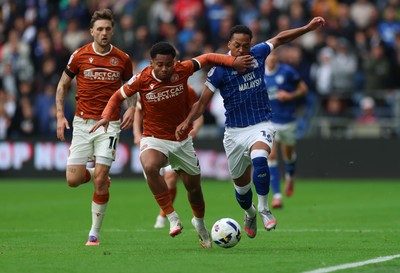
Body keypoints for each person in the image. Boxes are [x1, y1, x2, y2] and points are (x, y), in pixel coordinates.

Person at [89, 41, 253, 248]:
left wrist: (233, 61)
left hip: (181, 141)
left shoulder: (183, 70)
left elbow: (209, 57)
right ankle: (172, 216)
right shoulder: (141, 79)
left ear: (175, 62)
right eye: (160, 65)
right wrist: (105, 116)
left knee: (194, 189)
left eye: (168, 64)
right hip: (154, 138)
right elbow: (116, 97)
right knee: (149, 165)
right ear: (152, 63)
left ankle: (200, 225)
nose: (165, 69)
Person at [176, 17, 325, 239]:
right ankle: (250, 212)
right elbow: (202, 102)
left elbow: (280, 38)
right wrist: (187, 121)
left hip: (261, 123)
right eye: (237, 45)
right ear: (229, 45)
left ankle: (264, 207)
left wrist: (307, 28)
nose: (242, 49)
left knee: (260, 158)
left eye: (246, 44)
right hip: (234, 132)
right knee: (242, 191)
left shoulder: (258, 53)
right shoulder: (219, 70)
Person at [55, 9, 136, 246]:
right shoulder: (79, 56)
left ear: (113, 31)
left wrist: (131, 107)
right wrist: (60, 115)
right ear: (91, 31)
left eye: (107, 29)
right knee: (73, 180)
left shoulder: (122, 59)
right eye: (99, 29)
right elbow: (62, 86)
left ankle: (94, 234)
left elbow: (130, 87)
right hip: (82, 123)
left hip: (109, 124)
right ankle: (93, 174)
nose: (103, 33)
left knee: (101, 178)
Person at [133, 87, 204, 229]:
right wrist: (136, 134)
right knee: (152, 171)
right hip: (154, 141)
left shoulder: (186, 90)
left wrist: (195, 128)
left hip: (179, 143)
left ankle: (163, 217)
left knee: (175, 181)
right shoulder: (148, 86)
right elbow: (138, 111)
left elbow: (198, 112)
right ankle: (171, 216)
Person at [264, 50, 308, 209]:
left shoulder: (287, 72)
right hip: (270, 121)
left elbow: (304, 89)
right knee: (272, 155)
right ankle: (277, 196)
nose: (272, 58)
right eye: (269, 55)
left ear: (278, 57)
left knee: (288, 154)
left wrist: (290, 96)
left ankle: (290, 176)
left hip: (288, 120)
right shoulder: (259, 74)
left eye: (275, 55)